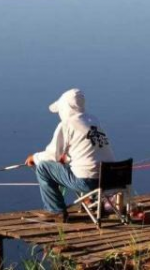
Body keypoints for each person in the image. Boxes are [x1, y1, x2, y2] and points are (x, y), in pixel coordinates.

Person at [26, 88, 115, 221]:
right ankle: (92, 201)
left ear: (65, 108)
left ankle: (56, 211)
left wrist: (34, 158)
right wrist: (66, 157)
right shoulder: (93, 121)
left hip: (88, 182)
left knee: (43, 167)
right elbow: (86, 150)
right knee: (75, 166)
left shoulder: (67, 124)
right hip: (110, 180)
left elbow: (52, 155)